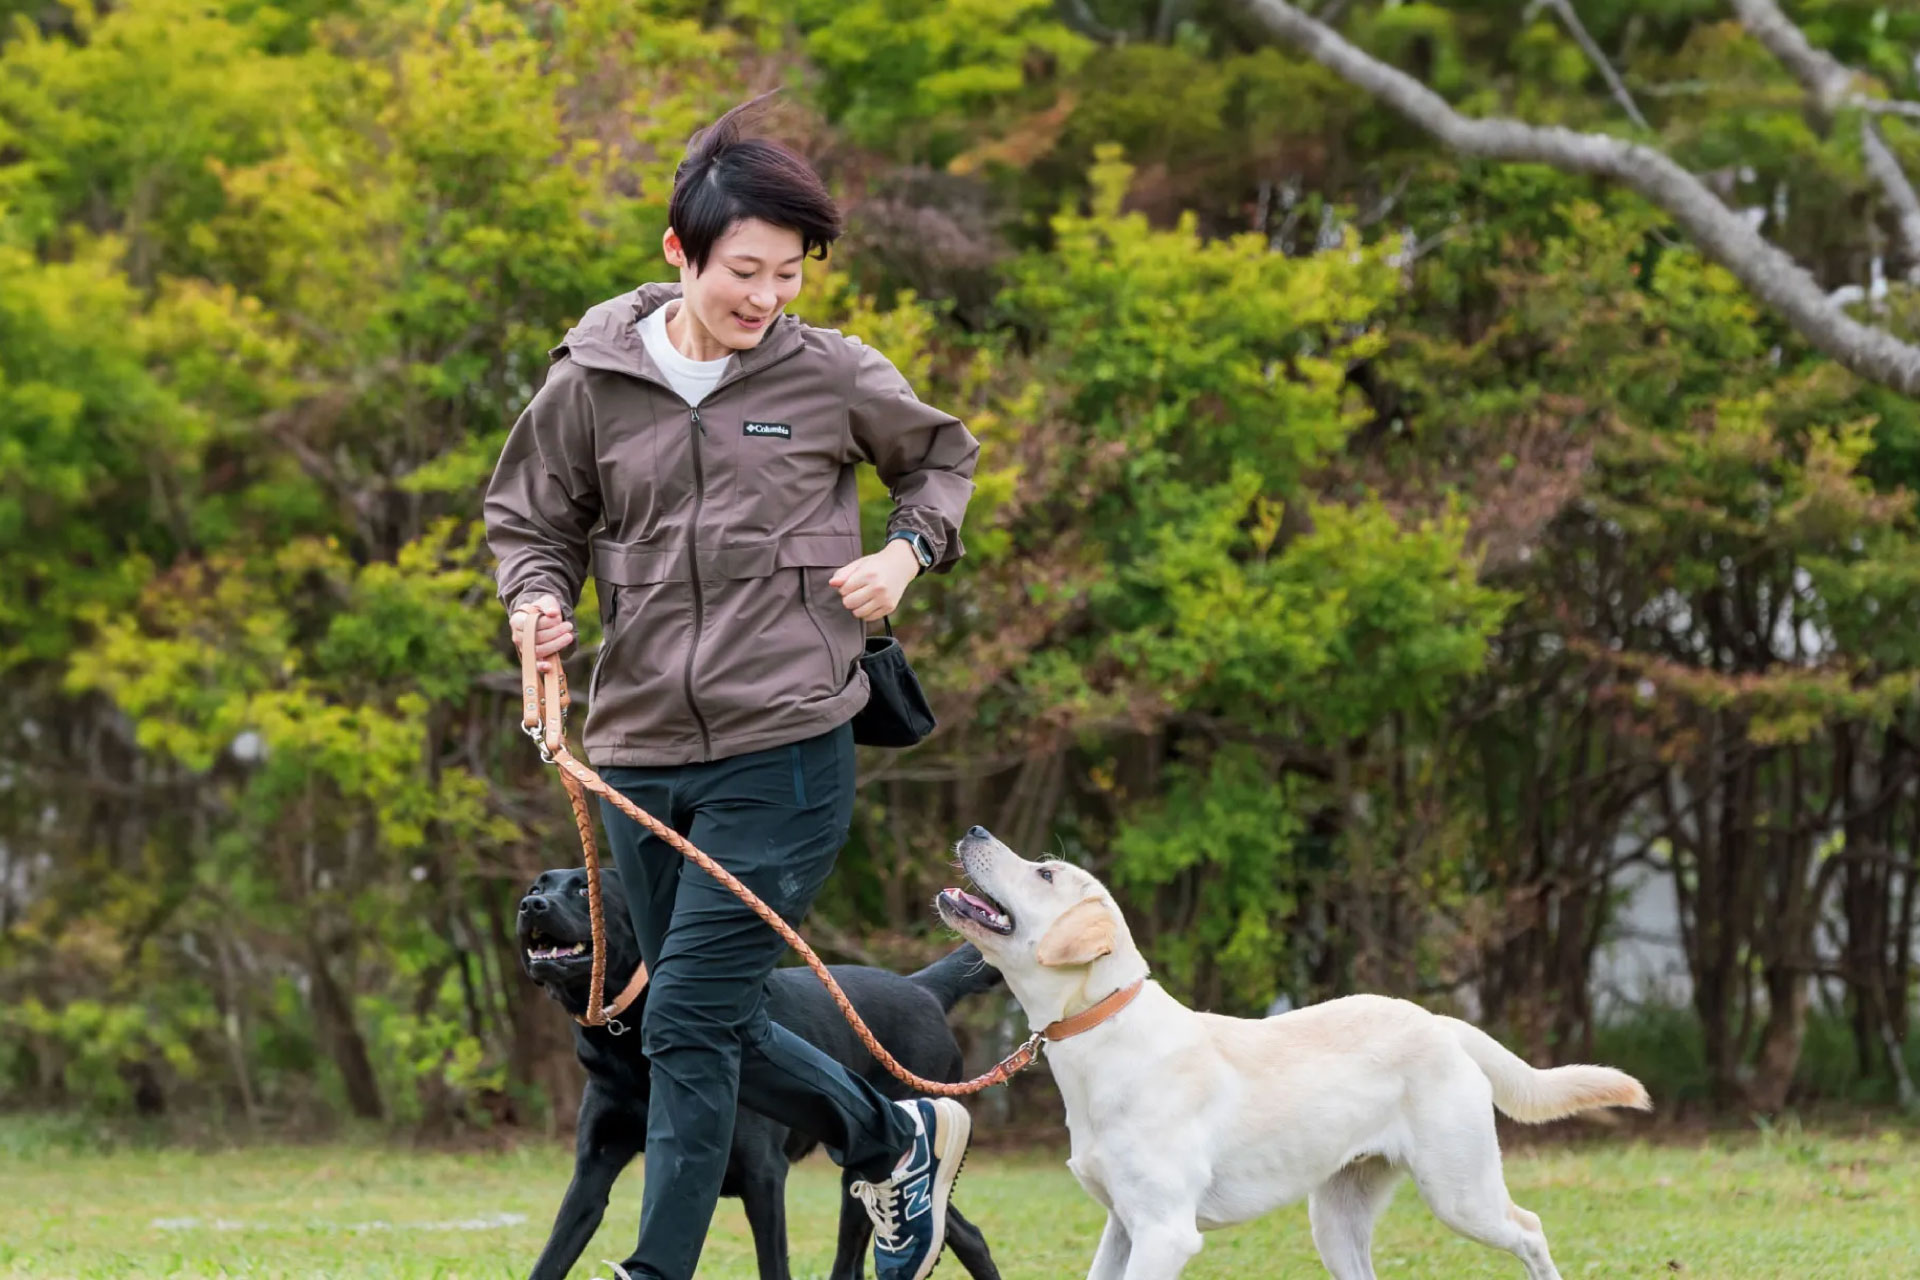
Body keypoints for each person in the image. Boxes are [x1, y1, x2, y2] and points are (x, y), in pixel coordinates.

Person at [483, 95, 979, 1280]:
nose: (767, 298)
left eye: (791, 274)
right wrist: (534, 602)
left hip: (791, 746)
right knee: (703, 1025)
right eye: (744, 272)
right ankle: (892, 1132)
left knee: (687, 1016)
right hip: (641, 748)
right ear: (678, 254)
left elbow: (942, 459)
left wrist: (906, 553)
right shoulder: (592, 382)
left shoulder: (829, 375)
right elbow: (529, 519)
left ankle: (657, 1270)